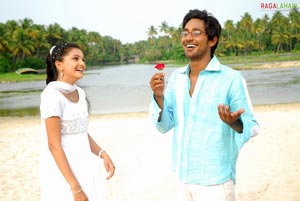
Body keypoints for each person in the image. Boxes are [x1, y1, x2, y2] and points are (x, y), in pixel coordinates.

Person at [149, 9, 259, 201]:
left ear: (212, 40)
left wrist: (233, 122)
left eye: (196, 32)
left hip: (216, 182)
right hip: (183, 177)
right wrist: (159, 98)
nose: (188, 37)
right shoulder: (177, 78)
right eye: (185, 32)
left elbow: (252, 126)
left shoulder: (231, 79)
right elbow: (165, 125)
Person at [39, 42, 115, 201]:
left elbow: (79, 131)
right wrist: (75, 187)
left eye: (83, 59)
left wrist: (102, 153)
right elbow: (54, 145)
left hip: (84, 164)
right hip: (65, 171)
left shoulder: (79, 93)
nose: (82, 63)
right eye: (75, 58)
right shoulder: (51, 95)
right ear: (59, 65)